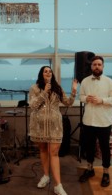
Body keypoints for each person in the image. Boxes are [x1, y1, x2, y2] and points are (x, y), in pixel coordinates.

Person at [28, 66, 78, 195]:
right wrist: (44, 92)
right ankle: (46, 176)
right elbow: (33, 105)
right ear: (41, 74)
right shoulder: (34, 88)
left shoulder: (58, 88)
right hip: (39, 126)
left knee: (54, 152)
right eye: (45, 71)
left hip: (55, 126)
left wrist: (73, 91)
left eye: (50, 71)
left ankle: (58, 185)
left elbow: (68, 103)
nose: (48, 73)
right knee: (43, 150)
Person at [78, 55, 112, 187]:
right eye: (94, 64)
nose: (96, 66)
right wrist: (86, 99)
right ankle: (90, 169)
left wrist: (101, 100)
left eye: (99, 64)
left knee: (104, 148)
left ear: (103, 66)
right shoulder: (84, 81)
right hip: (89, 120)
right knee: (88, 147)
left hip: (103, 122)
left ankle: (106, 172)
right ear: (91, 66)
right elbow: (81, 97)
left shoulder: (109, 82)